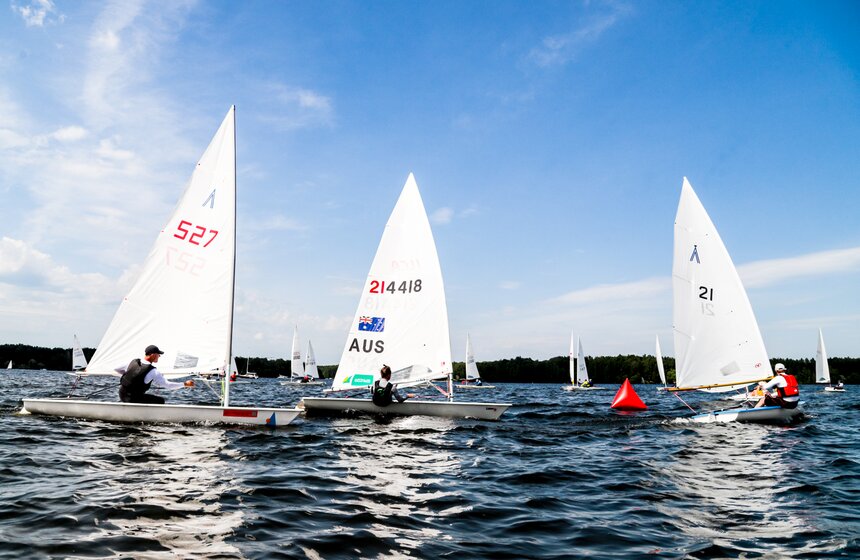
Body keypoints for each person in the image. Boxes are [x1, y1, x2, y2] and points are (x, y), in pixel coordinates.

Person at [118, 345, 194, 404]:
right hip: (133, 399)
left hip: (122, 395)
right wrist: (185, 384)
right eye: (158, 354)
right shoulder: (153, 371)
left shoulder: (132, 362)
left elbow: (117, 369)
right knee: (160, 401)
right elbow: (168, 385)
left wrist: (131, 378)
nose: (159, 356)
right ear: (153, 355)